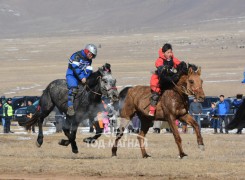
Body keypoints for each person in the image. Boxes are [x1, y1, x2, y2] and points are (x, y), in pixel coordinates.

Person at [149, 43, 181, 116]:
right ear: (163, 53)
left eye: (171, 52)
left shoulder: (173, 59)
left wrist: (182, 66)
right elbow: (160, 67)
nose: (170, 54)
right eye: (168, 52)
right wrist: (165, 69)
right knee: (156, 94)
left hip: (170, 79)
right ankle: (152, 109)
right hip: (160, 79)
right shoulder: (159, 60)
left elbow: (178, 63)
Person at [66, 44, 97, 116]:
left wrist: (88, 77)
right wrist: (82, 77)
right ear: (87, 51)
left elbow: (88, 70)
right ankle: (70, 107)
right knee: (73, 88)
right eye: (91, 54)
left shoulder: (89, 60)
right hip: (72, 75)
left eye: (93, 55)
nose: (91, 56)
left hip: (82, 77)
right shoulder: (76, 56)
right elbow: (75, 68)